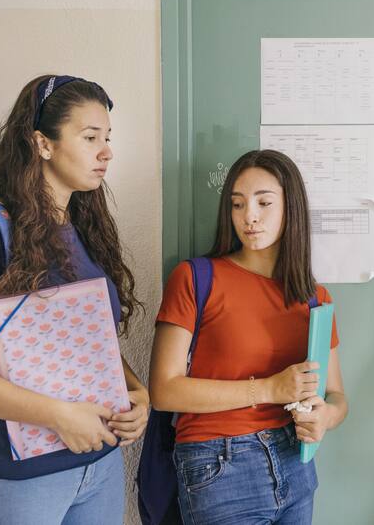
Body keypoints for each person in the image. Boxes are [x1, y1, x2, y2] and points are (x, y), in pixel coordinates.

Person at [0, 75, 149, 524]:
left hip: (98, 466)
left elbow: (80, 338)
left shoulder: (84, 228)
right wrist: (60, 416)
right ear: (43, 144)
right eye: (89, 138)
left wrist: (135, 392)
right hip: (19, 479)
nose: (106, 151)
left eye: (107, 138)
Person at [149, 149, 348, 524]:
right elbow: (164, 391)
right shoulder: (195, 278)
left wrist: (326, 417)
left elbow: (336, 394)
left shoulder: (315, 298)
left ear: (291, 208)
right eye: (237, 205)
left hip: (296, 465)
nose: (249, 217)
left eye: (264, 203)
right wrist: (271, 389)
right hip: (218, 466)